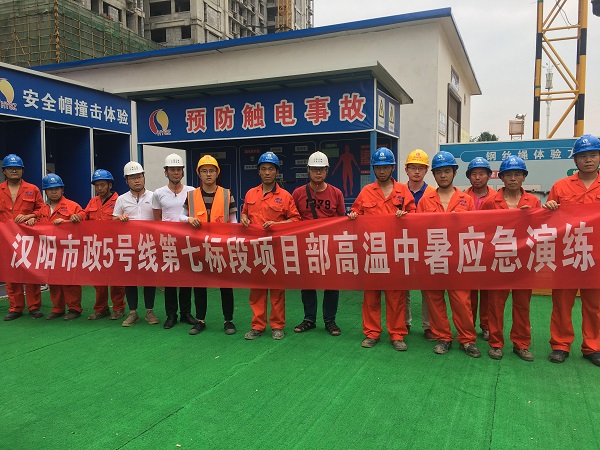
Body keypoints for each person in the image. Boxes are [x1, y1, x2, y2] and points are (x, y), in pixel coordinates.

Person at [349, 147, 415, 351]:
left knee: (396, 296)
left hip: (395, 253)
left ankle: (397, 334)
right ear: (374, 169)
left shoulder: (403, 190)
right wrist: (352, 216)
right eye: (378, 167)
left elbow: (415, 216)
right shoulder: (366, 192)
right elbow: (355, 212)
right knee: (371, 296)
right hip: (372, 252)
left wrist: (406, 216)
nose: (382, 171)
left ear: (393, 168)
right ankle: (372, 333)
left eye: (386, 167)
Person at [543, 134, 600, 367]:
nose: (588, 160)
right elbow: (548, 221)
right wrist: (549, 208)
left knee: (595, 304)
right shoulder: (561, 186)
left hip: (595, 256)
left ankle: (593, 347)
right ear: (575, 160)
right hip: (566, 254)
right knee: (562, 302)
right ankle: (560, 344)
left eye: (593, 155)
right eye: (583, 156)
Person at [417, 151, 481, 358]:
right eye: (439, 172)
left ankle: (467, 339)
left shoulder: (466, 200)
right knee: (434, 300)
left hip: (458, 259)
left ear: (454, 172)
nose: (443, 175)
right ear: (434, 175)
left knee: (462, 301)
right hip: (434, 257)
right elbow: (418, 230)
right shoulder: (425, 201)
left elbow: (474, 229)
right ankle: (443, 337)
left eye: (447, 171)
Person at [481, 156, 539, 361]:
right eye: (508, 175)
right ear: (502, 178)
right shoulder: (490, 202)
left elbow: (540, 230)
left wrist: (531, 217)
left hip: (523, 261)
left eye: (517, 174)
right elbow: (483, 231)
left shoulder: (533, 202)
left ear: (524, 177)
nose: (513, 178)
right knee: (496, 304)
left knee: (522, 304)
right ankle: (495, 343)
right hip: (499, 260)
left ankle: (521, 344)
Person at [241, 151, 301, 340]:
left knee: (277, 290)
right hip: (255, 250)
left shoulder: (285, 196)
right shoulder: (251, 193)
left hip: (276, 250)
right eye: (264, 169)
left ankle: (277, 326)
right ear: (259, 171)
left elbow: (295, 220)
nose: (267, 172)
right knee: (257, 290)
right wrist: (243, 218)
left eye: (271, 169)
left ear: (277, 172)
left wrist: (277, 225)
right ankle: (257, 326)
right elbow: (244, 213)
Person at [180, 154, 238, 336]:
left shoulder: (227, 194)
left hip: (221, 248)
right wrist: (188, 219)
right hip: (198, 247)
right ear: (199, 174)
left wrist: (232, 241)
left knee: (225, 286)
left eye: (211, 171)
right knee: (199, 286)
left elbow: (234, 221)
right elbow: (180, 216)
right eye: (204, 171)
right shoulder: (191, 195)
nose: (208, 174)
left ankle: (228, 320)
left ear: (217, 173)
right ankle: (200, 320)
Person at [292, 151, 346, 336]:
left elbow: (341, 219)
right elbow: (293, 218)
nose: (318, 173)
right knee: (308, 283)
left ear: (327, 171)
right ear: (308, 170)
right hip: (306, 245)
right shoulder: (298, 193)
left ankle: (330, 320)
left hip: (329, 245)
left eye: (321, 169)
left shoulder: (336, 193)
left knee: (332, 284)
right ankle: (309, 319)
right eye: (314, 169)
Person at [70, 169, 126, 320]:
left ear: (110, 185)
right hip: (97, 247)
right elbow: (85, 213)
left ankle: (118, 308)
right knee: (98, 280)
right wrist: (78, 216)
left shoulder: (119, 200)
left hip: (114, 247)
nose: (99, 188)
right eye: (97, 185)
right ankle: (101, 309)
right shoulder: (93, 201)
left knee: (116, 280)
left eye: (102, 185)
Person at [152, 153, 196, 329]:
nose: (176, 172)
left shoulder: (192, 191)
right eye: (172, 169)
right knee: (170, 280)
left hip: (187, 241)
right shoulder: (158, 193)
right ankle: (171, 315)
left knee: (186, 279)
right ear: (166, 172)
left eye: (179, 169)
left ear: (183, 171)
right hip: (168, 242)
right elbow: (157, 219)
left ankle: (186, 313)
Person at [113, 161, 159, 327]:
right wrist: (119, 219)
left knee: (149, 279)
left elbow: (160, 219)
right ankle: (133, 312)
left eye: (139, 176)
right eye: (132, 178)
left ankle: (149, 311)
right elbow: (113, 219)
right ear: (127, 180)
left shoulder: (154, 196)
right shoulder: (121, 199)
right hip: (129, 245)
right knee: (130, 279)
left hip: (149, 244)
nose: (137, 180)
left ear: (144, 177)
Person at [0, 154, 45, 321]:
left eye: (17, 168)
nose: (14, 171)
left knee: (31, 273)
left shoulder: (32, 189)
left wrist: (31, 216)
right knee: (11, 275)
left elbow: (42, 210)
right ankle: (16, 307)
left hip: (27, 239)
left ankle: (34, 307)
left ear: (22, 170)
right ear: (4, 171)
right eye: (10, 168)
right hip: (6, 239)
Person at [38, 174, 84, 321]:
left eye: (57, 188)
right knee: (53, 280)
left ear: (62, 189)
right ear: (45, 191)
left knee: (70, 280)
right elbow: (37, 224)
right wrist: (31, 219)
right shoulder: (42, 209)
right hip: (49, 250)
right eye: (50, 189)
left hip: (67, 250)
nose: (54, 192)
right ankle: (57, 308)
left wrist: (74, 219)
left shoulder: (73, 206)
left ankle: (74, 308)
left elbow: (84, 221)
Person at [404, 149, 436, 341]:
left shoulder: (433, 193)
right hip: (404, 245)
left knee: (428, 288)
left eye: (421, 168)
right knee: (403, 287)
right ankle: (404, 322)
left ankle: (428, 326)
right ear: (406, 170)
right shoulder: (398, 191)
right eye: (413, 168)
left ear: (426, 171)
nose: (417, 171)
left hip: (427, 246)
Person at [464, 157, 496, 342]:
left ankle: (486, 326)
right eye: (474, 174)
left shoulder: (497, 197)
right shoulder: (461, 197)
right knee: (468, 292)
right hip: (468, 248)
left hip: (489, 250)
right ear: (469, 176)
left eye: (482, 173)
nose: (477, 177)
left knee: (487, 292)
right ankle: (468, 325)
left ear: (489, 175)